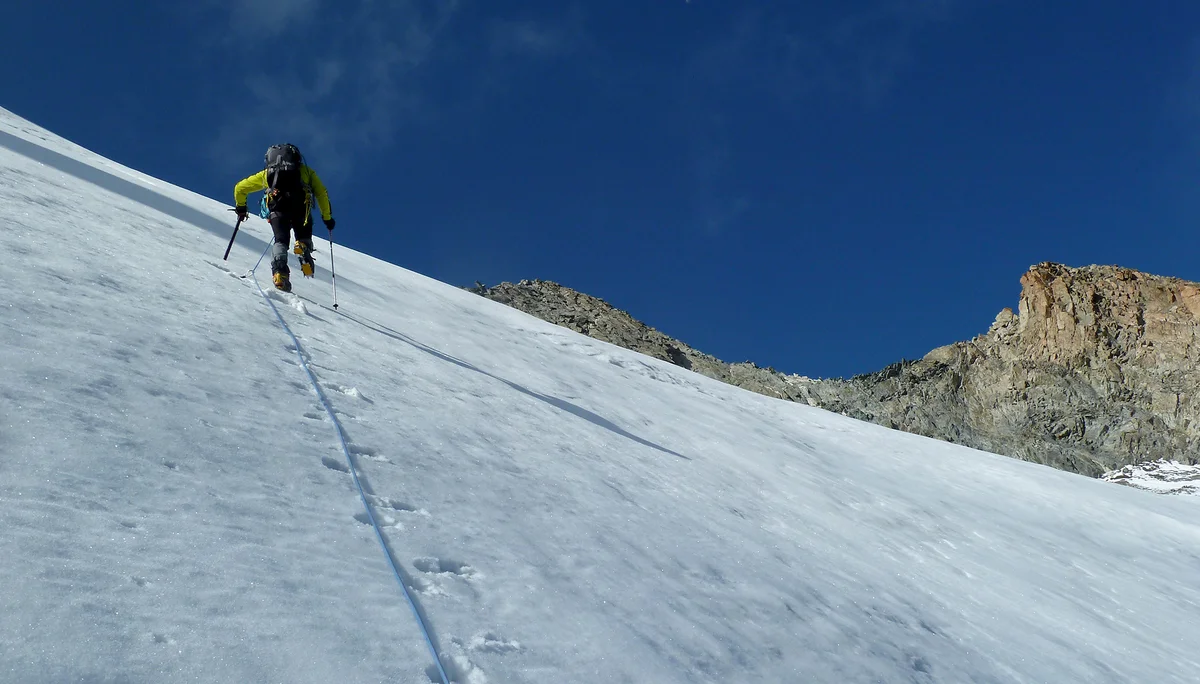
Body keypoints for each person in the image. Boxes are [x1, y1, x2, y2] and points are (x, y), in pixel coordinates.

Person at [233, 144, 335, 292]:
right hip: (300, 208)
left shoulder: (268, 174)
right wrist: (327, 218)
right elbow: (321, 193)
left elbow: (240, 188)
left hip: (277, 209)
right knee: (303, 234)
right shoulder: (306, 171)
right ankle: (302, 245)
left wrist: (241, 207)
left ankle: (280, 273)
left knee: (280, 240)